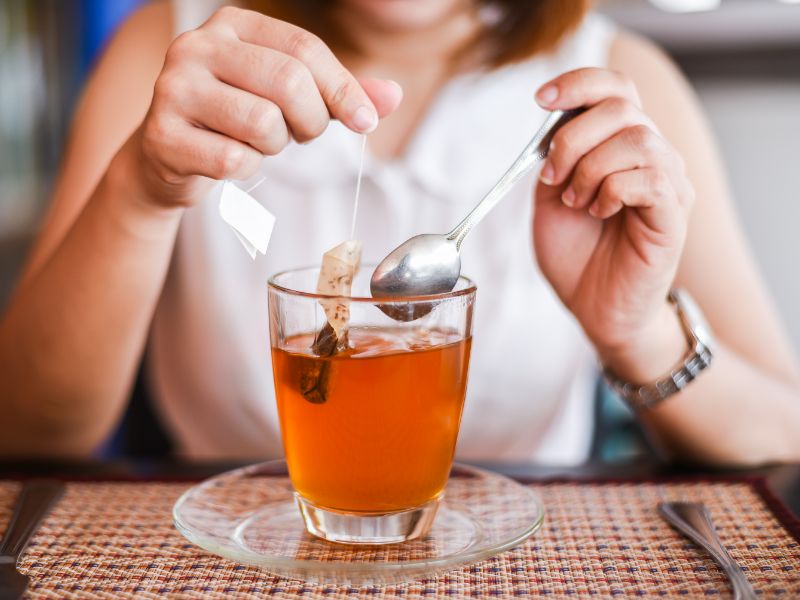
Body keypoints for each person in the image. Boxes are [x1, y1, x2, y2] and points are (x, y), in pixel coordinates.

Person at [1, 0, 799, 464]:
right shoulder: (176, 50)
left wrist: (638, 332)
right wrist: (139, 192)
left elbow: (783, 435)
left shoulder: (611, 87)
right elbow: (25, 430)